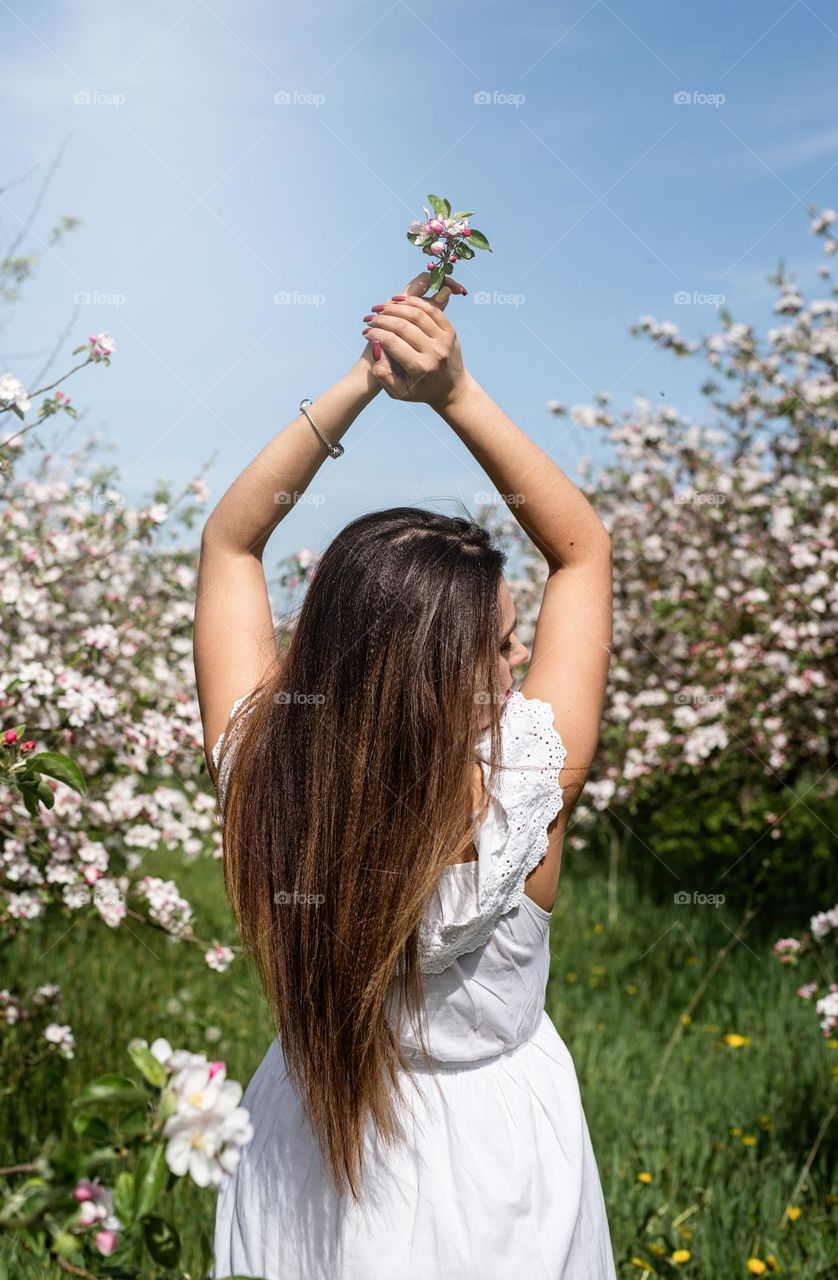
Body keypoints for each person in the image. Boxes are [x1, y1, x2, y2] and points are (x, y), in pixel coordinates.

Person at [194, 270, 617, 1278]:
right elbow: (582, 549)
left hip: (309, 1149)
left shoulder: (269, 766)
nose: (516, 666)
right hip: (499, 1160)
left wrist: (357, 381)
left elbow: (230, 540)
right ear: (446, 670)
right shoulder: (526, 791)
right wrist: (454, 392)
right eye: (503, 646)